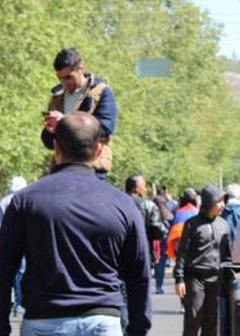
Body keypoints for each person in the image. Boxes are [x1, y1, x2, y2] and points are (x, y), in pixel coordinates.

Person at [0, 113, 151, 335]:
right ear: (98, 150)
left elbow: (4, 268)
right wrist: (138, 329)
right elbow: (139, 275)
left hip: (44, 321)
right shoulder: (123, 205)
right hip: (103, 320)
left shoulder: (26, 201)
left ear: (56, 148)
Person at [41, 48, 117, 179]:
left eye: (68, 77)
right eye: (60, 78)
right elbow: (48, 142)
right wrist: (50, 129)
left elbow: (105, 129)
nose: (64, 83)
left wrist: (65, 122)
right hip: (60, 169)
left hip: (92, 170)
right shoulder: (56, 97)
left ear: (81, 68)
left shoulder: (102, 92)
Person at [174, 186, 230, 336]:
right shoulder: (192, 224)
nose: (222, 205)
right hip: (195, 279)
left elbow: (227, 255)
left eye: (223, 201)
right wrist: (179, 279)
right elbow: (182, 254)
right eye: (219, 201)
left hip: (216, 280)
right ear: (209, 202)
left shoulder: (224, 225)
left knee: (212, 322)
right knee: (193, 319)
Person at [126, 174, 167, 268]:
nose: (145, 189)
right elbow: (159, 230)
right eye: (144, 186)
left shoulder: (116, 202)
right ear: (136, 188)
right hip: (142, 251)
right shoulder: (148, 205)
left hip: (118, 252)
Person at [0, 177, 28, 316]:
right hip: (24, 243)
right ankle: (20, 304)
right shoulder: (26, 200)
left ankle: (9, 304)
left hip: (6, 242)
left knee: (6, 274)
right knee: (21, 273)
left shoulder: (4, 202)